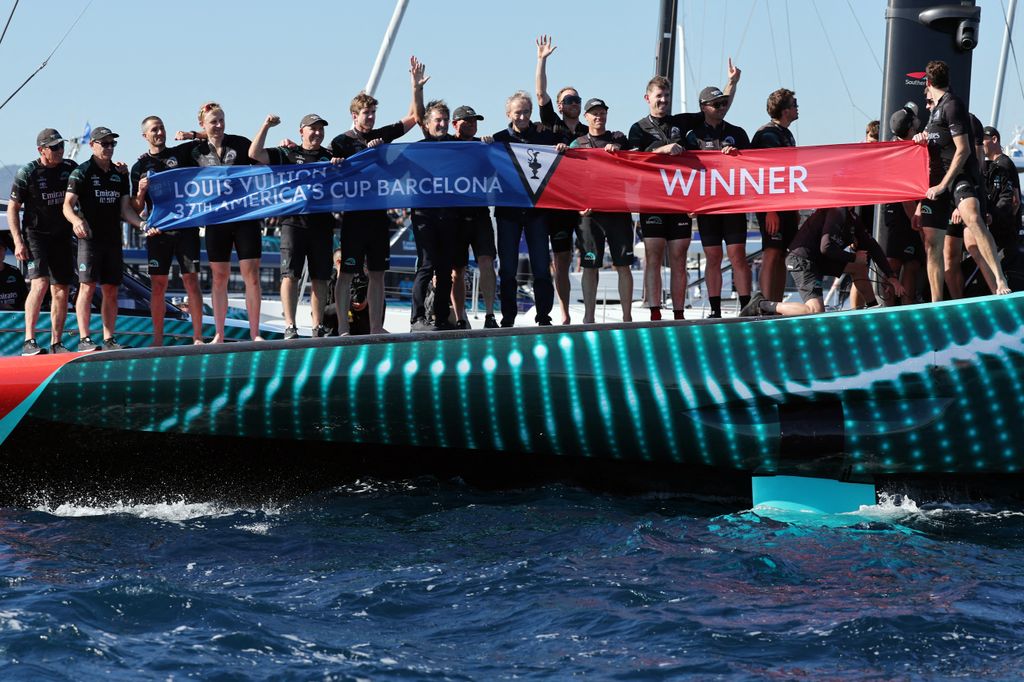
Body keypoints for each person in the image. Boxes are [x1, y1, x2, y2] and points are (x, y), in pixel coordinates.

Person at [628, 61, 740, 320]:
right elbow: (632, 162)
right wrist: (661, 151)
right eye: (659, 96)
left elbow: (715, 109)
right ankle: (655, 311)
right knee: (654, 256)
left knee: (679, 257)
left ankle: (679, 314)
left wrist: (732, 83)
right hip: (653, 201)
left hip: (679, 201)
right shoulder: (638, 128)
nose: (663, 100)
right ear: (648, 98)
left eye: (667, 96)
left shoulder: (681, 122)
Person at [330, 56, 425, 335]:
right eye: (366, 114)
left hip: (378, 215)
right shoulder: (341, 141)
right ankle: (343, 327)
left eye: (373, 113)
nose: (370, 118)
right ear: (354, 116)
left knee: (377, 274)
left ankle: (375, 327)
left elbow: (415, 118)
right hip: (353, 217)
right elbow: (331, 170)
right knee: (346, 274)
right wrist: (339, 163)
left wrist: (415, 86)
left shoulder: (381, 136)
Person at [913, 60, 1011, 297]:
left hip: (957, 178)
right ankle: (936, 303)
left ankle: (1000, 281)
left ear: (928, 83)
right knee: (932, 244)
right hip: (937, 182)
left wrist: (944, 185)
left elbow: (963, 150)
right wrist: (923, 138)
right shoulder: (934, 111)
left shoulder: (952, 105)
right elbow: (939, 141)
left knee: (974, 219)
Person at [176, 102, 264, 342]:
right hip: (216, 220)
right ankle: (219, 333)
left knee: (252, 275)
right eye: (213, 121)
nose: (219, 125)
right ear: (202, 125)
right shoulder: (193, 152)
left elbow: (263, 160)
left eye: (222, 120)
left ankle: (255, 333)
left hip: (245, 217)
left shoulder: (241, 143)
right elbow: (167, 163)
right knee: (219, 276)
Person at [249, 113, 335, 338]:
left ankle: (317, 326)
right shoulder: (288, 153)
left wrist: (340, 164)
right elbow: (254, 154)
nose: (317, 133)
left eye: (320, 129)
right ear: (301, 131)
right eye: (312, 128)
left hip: (322, 224)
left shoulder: (330, 156)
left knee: (321, 278)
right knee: (290, 275)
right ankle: (290, 326)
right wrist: (266, 125)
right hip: (293, 223)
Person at [62, 126, 148, 351]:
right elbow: (67, 206)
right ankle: (84, 338)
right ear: (92, 145)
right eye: (105, 143)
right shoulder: (82, 172)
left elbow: (126, 210)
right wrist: (76, 221)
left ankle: (109, 339)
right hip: (89, 239)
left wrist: (142, 224)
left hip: (112, 239)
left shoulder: (119, 175)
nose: (109, 148)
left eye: (112, 144)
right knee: (87, 287)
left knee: (111, 289)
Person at [741, 207, 904, 317]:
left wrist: (891, 276)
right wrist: (854, 257)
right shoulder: (837, 210)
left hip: (819, 259)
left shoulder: (852, 216)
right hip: (802, 260)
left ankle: (872, 307)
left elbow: (872, 245)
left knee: (859, 268)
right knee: (814, 311)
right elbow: (826, 247)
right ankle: (762, 304)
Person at [130, 116, 205, 346]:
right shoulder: (140, 166)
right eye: (154, 130)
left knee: (191, 280)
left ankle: (198, 337)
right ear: (145, 136)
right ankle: (157, 340)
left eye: (161, 127)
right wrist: (141, 192)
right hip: (159, 232)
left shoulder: (181, 154)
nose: (159, 132)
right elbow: (136, 207)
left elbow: (211, 139)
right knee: (158, 285)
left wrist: (192, 134)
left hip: (186, 227)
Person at [492, 91, 563, 327]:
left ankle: (544, 317)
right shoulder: (498, 139)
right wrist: (483, 144)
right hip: (508, 212)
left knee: (542, 268)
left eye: (526, 112)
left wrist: (562, 145)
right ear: (508, 114)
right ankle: (508, 319)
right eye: (517, 112)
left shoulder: (544, 137)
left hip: (537, 211)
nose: (522, 116)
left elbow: (569, 147)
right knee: (508, 270)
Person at [7, 128, 79, 355]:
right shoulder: (28, 172)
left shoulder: (69, 168)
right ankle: (29, 340)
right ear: (42, 150)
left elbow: (89, 179)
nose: (60, 150)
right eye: (55, 147)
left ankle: (56, 343)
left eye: (62, 146)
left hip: (62, 235)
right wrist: (18, 241)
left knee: (62, 288)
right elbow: (12, 208)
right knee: (40, 283)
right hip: (36, 234)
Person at [685, 84, 753, 317]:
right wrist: (689, 203)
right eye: (717, 104)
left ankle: (746, 308)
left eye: (724, 103)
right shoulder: (692, 136)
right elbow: (683, 172)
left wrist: (738, 156)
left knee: (737, 255)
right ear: (704, 107)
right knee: (713, 256)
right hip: (707, 206)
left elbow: (756, 166)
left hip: (733, 203)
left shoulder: (738, 132)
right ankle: (715, 309)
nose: (722, 107)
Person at [535, 35, 588, 324]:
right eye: (569, 100)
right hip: (554, 202)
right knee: (555, 262)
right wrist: (542, 60)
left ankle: (576, 314)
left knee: (579, 260)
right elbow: (540, 92)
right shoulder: (551, 122)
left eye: (577, 99)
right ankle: (560, 312)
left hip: (580, 204)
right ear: (559, 104)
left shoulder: (586, 128)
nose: (575, 103)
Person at [569, 98, 635, 323]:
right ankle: (589, 317)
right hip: (590, 214)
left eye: (602, 112)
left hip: (618, 210)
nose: (599, 116)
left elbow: (637, 164)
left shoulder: (619, 139)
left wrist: (619, 151)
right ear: (586, 117)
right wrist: (578, 206)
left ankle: (627, 317)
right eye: (594, 113)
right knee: (590, 265)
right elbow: (569, 180)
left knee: (623, 264)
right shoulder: (577, 144)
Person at [409, 98, 458, 332]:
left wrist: (488, 142)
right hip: (423, 216)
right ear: (427, 124)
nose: (443, 124)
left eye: (446, 120)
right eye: (438, 120)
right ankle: (416, 318)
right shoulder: (416, 148)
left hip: (449, 215)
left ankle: (440, 316)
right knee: (427, 266)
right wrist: (417, 89)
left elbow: (480, 153)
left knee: (445, 270)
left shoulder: (459, 146)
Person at [450, 105, 498, 329]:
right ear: (454, 124)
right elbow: (424, 124)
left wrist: (490, 147)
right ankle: (460, 318)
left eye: (474, 121)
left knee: (487, 262)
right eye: (466, 121)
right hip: (455, 216)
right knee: (457, 270)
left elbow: (498, 170)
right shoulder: (444, 145)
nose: (471, 124)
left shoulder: (484, 146)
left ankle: (489, 315)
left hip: (479, 213)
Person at [751, 89, 800, 303]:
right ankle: (765, 305)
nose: (798, 107)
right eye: (794, 103)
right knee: (771, 252)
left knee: (782, 254)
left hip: (787, 205)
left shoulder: (787, 134)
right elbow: (764, 173)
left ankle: (776, 304)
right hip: (771, 206)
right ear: (785, 110)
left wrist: (795, 208)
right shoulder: (767, 135)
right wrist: (770, 209)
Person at [882, 105, 926, 305]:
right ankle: (890, 310)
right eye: (914, 123)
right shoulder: (901, 151)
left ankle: (898, 309)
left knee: (912, 263)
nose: (918, 124)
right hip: (902, 211)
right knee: (899, 263)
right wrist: (919, 228)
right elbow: (906, 197)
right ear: (909, 129)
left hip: (899, 209)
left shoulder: (899, 145)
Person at [0, 231, 28, 312]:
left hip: (18, 315)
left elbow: (25, 297)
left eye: (0, 249)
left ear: (5, 251)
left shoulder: (14, 271)